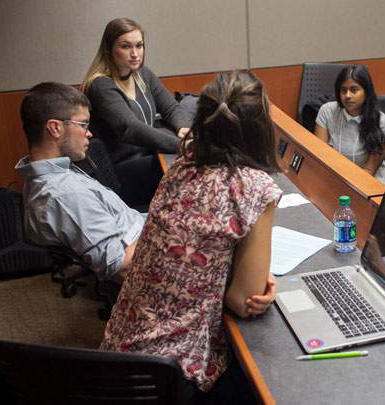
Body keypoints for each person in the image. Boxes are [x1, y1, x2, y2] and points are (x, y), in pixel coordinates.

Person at [101, 70, 282, 402]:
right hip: (171, 378)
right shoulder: (256, 190)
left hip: (117, 358)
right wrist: (264, 281)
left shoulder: (180, 168)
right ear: (261, 126)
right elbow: (242, 301)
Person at [15, 82, 143, 281]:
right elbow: (122, 267)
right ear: (55, 128)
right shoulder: (65, 194)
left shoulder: (46, 174)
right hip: (150, 251)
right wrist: (164, 230)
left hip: (138, 231)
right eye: (83, 124)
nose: (89, 133)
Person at [81, 17, 191, 207]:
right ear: (109, 49)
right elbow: (130, 128)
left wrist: (185, 129)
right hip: (121, 169)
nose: (135, 53)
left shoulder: (143, 74)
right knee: (184, 170)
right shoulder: (100, 85)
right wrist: (181, 145)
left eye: (139, 46)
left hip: (149, 155)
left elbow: (171, 107)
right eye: (126, 46)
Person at [314, 65, 385, 184]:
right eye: (343, 90)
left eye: (354, 90)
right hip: (333, 178)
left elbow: (369, 171)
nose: (348, 95)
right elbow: (320, 156)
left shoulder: (382, 123)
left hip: (368, 183)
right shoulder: (327, 111)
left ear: (366, 92)